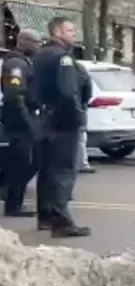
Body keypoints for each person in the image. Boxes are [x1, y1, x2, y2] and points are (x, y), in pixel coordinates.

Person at [33, 16, 91, 237]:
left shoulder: (41, 54)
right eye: (70, 30)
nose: (74, 34)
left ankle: (46, 216)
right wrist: (76, 116)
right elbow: (68, 92)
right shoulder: (63, 58)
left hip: (45, 116)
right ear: (57, 32)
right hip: (63, 120)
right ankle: (61, 222)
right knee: (63, 170)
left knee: (47, 170)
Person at [1, 29, 41, 217]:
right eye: (35, 42)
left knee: (26, 162)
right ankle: (13, 205)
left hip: (25, 115)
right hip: (18, 119)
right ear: (23, 41)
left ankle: (14, 202)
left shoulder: (24, 61)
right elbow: (13, 94)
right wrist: (27, 120)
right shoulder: (15, 64)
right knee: (22, 163)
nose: (37, 46)